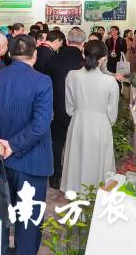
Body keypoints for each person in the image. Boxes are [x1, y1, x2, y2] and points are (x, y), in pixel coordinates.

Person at [0, 35, 53, 255]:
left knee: (1, 215)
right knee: (28, 220)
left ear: (9, 53)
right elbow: (40, 125)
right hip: (31, 161)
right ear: (35, 54)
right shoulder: (42, 81)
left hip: (0, 160)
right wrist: (12, 145)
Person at [61, 40, 119, 193]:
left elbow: (69, 106)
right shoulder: (110, 81)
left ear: (83, 53)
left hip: (78, 122)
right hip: (101, 124)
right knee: (99, 160)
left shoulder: (72, 75)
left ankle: (75, 190)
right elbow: (112, 113)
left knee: (77, 158)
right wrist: (106, 122)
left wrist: (78, 113)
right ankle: (97, 195)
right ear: (103, 58)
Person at [46, 27, 85, 190]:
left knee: (56, 143)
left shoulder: (54, 59)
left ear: (67, 41)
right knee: (78, 144)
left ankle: (55, 177)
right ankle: (76, 178)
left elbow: (47, 86)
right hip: (79, 110)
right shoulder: (84, 62)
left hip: (57, 108)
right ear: (83, 43)